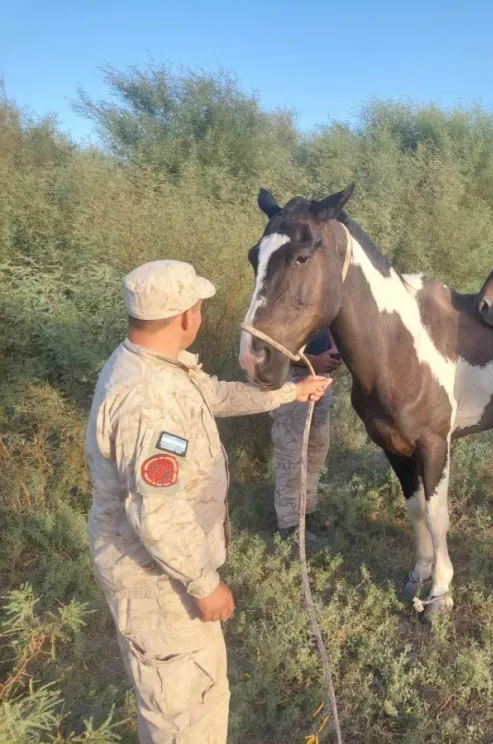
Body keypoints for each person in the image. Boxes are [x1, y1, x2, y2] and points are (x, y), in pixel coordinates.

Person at [85, 260, 331, 743]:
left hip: (165, 570)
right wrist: (203, 583)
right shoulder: (148, 399)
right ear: (183, 316)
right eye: (198, 305)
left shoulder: (154, 365)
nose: (200, 313)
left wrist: (290, 392)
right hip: (158, 580)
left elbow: (215, 396)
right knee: (182, 717)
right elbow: (157, 511)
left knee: (198, 697)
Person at [270, 328, 341, 542]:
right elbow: (272, 347)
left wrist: (335, 353)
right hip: (291, 379)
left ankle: (307, 510)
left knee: (316, 450)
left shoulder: (324, 298)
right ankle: (289, 524)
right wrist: (310, 361)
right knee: (291, 451)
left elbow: (332, 327)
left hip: (321, 379)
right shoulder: (280, 298)